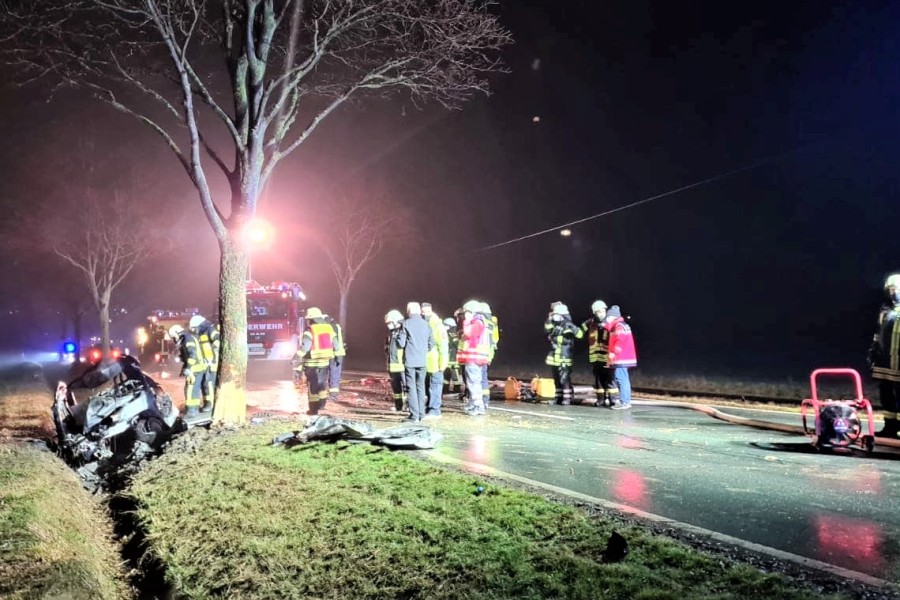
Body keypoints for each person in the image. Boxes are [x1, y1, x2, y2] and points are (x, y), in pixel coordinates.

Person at [869, 273, 900, 437]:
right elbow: (879, 334)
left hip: (898, 362)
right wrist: (874, 353)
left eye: (895, 289)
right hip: (885, 362)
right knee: (886, 393)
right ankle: (890, 427)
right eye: (890, 290)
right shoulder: (886, 310)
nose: (893, 293)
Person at [293, 307, 336, 416]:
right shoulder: (329, 328)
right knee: (322, 384)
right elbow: (336, 344)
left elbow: (305, 347)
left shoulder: (310, 330)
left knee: (313, 388)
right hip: (325, 362)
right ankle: (321, 405)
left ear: (311, 319)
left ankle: (313, 410)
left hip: (311, 364)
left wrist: (295, 357)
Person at [396, 302, 434, 422]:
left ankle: (414, 415)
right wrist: (422, 351)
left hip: (410, 361)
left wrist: (397, 336)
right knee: (421, 387)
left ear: (408, 311)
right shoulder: (426, 324)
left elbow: (401, 344)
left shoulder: (406, 324)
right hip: (422, 361)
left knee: (411, 388)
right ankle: (422, 414)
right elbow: (431, 343)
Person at [458, 300, 490, 416]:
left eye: (466, 312)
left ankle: (478, 406)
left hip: (474, 358)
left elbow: (468, 333)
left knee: (474, 383)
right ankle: (474, 404)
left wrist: (466, 321)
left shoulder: (477, 322)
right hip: (476, 358)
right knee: (473, 382)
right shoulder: (480, 321)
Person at [545, 303, 581, 405]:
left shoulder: (568, 325)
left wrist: (573, 329)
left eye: (556, 314)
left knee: (564, 379)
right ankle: (558, 398)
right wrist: (549, 318)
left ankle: (567, 398)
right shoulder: (555, 325)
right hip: (554, 357)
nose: (555, 316)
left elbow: (579, 334)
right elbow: (546, 329)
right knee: (556, 379)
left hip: (564, 357)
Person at [580, 300, 615, 406]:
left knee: (610, 378)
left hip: (607, 356)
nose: (601, 313)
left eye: (602, 311)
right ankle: (601, 399)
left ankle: (613, 399)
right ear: (594, 312)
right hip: (595, 357)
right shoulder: (590, 322)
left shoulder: (610, 322)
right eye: (598, 311)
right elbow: (579, 331)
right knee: (598, 379)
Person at [167, 324, 206, 417]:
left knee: (190, 389)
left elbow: (193, 355)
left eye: (174, 336)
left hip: (195, 368)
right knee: (192, 389)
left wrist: (188, 368)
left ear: (177, 333)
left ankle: (192, 411)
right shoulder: (188, 338)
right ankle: (193, 409)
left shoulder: (187, 339)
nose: (174, 339)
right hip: (197, 367)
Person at [604, 305, 637, 410]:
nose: (607, 320)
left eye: (608, 317)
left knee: (621, 379)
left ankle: (625, 402)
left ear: (613, 317)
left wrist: (613, 353)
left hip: (621, 358)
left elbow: (620, 341)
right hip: (623, 357)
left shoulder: (619, 326)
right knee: (624, 379)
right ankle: (625, 401)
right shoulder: (620, 325)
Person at [422, 302, 449, 419]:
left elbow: (443, 346)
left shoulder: (438, 326)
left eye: (426, 312)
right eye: (422, 312)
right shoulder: (423, 324)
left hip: (436, 363)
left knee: (435, 387)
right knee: (427, 386)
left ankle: (434, 410)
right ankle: (429, 407)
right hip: (425, 363)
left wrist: (442, 364)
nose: (424, 314)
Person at [189, 314, 219, 412]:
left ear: (199, 325)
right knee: (205, 384)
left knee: (209, 383)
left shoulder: (210, 330)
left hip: (213, 363)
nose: (194, 331)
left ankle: (211, 405)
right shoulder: (202, 333)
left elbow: (217, 340)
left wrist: (213, 358)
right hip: (207, 363)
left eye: (194, 328)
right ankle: (207, 403)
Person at [384, 309, 407, 412]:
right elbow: (388, 347)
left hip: (402, 364)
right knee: (396, 388)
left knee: (406, 387)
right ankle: (398, 406)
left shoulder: (403, 329)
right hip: (393, 364)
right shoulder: (392, 332)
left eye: (389, 322)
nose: (388, 325)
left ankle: (409, 406)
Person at [479, 302, 500, 409]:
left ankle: (480, 401)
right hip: (487, 354)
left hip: (480, 355)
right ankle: (485, 400)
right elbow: (494, 341)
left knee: (480, 378)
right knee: (483, 378)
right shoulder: (492, 324)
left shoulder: (481, 322)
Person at [324, 313, 346, 401]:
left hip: (335, 353)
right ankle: (333, 394)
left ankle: (333, 395)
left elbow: (333, 341)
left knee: (334, 374)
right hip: (338, 353)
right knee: (334, 374)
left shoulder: (331, 327)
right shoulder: (337, 326)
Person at [443, 316, 464, 395]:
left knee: (455, 374)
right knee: (446, 375)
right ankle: (445, 388)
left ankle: (457, 388)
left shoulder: (453, 336)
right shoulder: (450, 335)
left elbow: (456, 346)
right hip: (448, 359)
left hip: (453, 359)